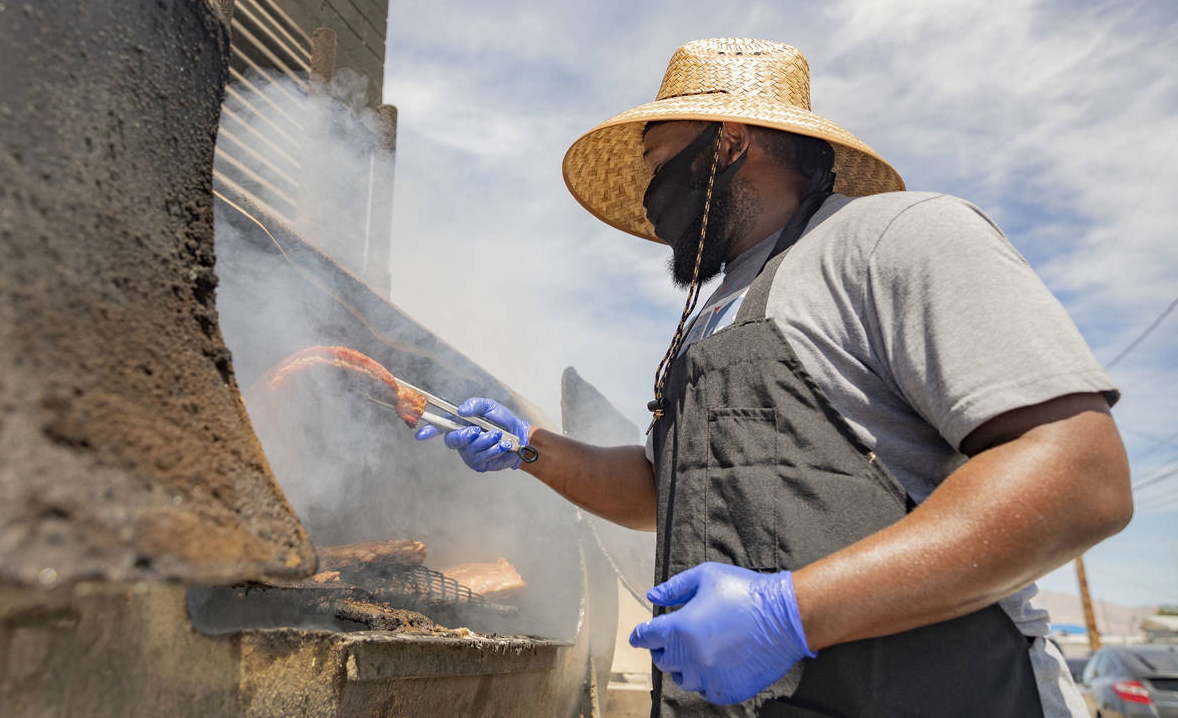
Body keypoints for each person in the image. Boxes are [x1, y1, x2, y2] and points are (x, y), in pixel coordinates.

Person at [416, 38, 1131, 717]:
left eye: (661, 163)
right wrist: (531, 449)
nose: (651, 195)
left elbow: (1077, 476)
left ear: (726, 144)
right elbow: (666, 494)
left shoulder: (897, 238)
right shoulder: (713, 314)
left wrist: (790, 614)